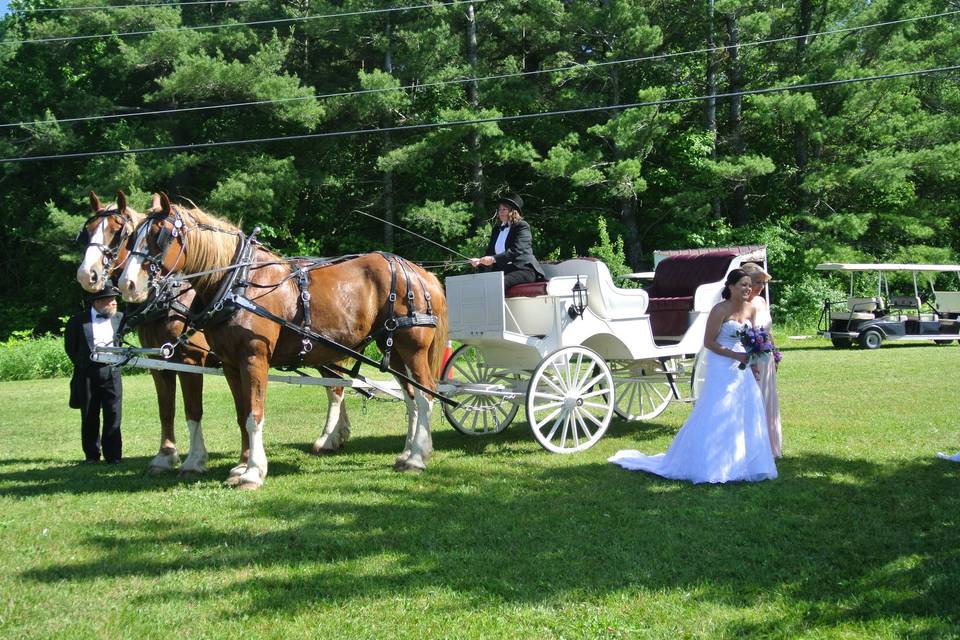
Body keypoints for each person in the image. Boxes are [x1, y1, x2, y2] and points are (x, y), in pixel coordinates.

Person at [608, 269, 778, 484]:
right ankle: (714, 462)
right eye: (742, 285)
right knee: (720, 407)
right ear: (731, 287)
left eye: (748, 285)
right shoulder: (720, 310)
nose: (747, 289)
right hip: (722, 360)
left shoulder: (752, 309)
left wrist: (753, 361)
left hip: (742, 363)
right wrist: (734, 354)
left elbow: (751, 339)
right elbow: (709, 342)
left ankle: (744, 462)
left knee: (746, 407)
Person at [64, 284, 124, 464]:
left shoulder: (120, 318)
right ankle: (92, 455)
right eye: (110, 299)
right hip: (87, 374)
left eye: (115, 299)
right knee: (89, 414)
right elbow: (71, 348)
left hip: (112, 372)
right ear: (97, 302)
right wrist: (85, 364)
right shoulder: (77, 321)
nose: (114, 303)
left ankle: (113, 456)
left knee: (114, 414)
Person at [741, 262, 783, 458]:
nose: (760, 287)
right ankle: (753, 447)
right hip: (749, 360)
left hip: (765, 358)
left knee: (767, 400)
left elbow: (768, 330)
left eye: (763, 283)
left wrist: (774, 351)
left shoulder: (762, 302)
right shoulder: (740, 305)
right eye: (757, 282)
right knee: (754, 401)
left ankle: (770, 446)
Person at [469, 193, 545, 290]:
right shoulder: (497, 229)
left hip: (523, 269)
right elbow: (490, 253)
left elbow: (516, 250)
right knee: (480, 284)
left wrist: (492, 259)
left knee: (499, 283)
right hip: (504, 270)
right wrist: (480, 261)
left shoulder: (522, 226)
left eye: (504, 209)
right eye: (499, 209)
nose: (501, 212)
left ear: (512, 211)